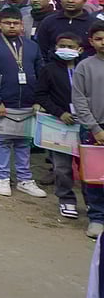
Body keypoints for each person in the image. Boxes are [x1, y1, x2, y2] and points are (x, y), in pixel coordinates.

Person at [0, 7, 46, 199]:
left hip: (28, 102)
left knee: (24, 141)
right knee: (3, 141)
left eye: (16, 23)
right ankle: (3, 178)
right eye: (8, 23)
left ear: (22, 25)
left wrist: (38, 100)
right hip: (3, 102)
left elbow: (41, 73)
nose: (12, 26)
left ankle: (24, 179)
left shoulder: (32, 46)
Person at [36, 32, 86, 220]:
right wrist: (60, 112)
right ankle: (66, 200)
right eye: (62, 46)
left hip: (86, 123)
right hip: (59, 124)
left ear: (80, 49)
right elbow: (41, 95)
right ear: (56, 48)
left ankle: (91, 202)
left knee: (88, 166)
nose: (66, 49)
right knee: (62, 167)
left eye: (71, 47)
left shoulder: (86, 67)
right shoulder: (49, 69)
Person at [74, 23, 104, 239]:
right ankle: (97, 217)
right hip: (94, 129)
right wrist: (94, 128)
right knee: (95, 177)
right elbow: (79, 99)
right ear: (92, 42)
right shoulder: (84, 66)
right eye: (99, 38)